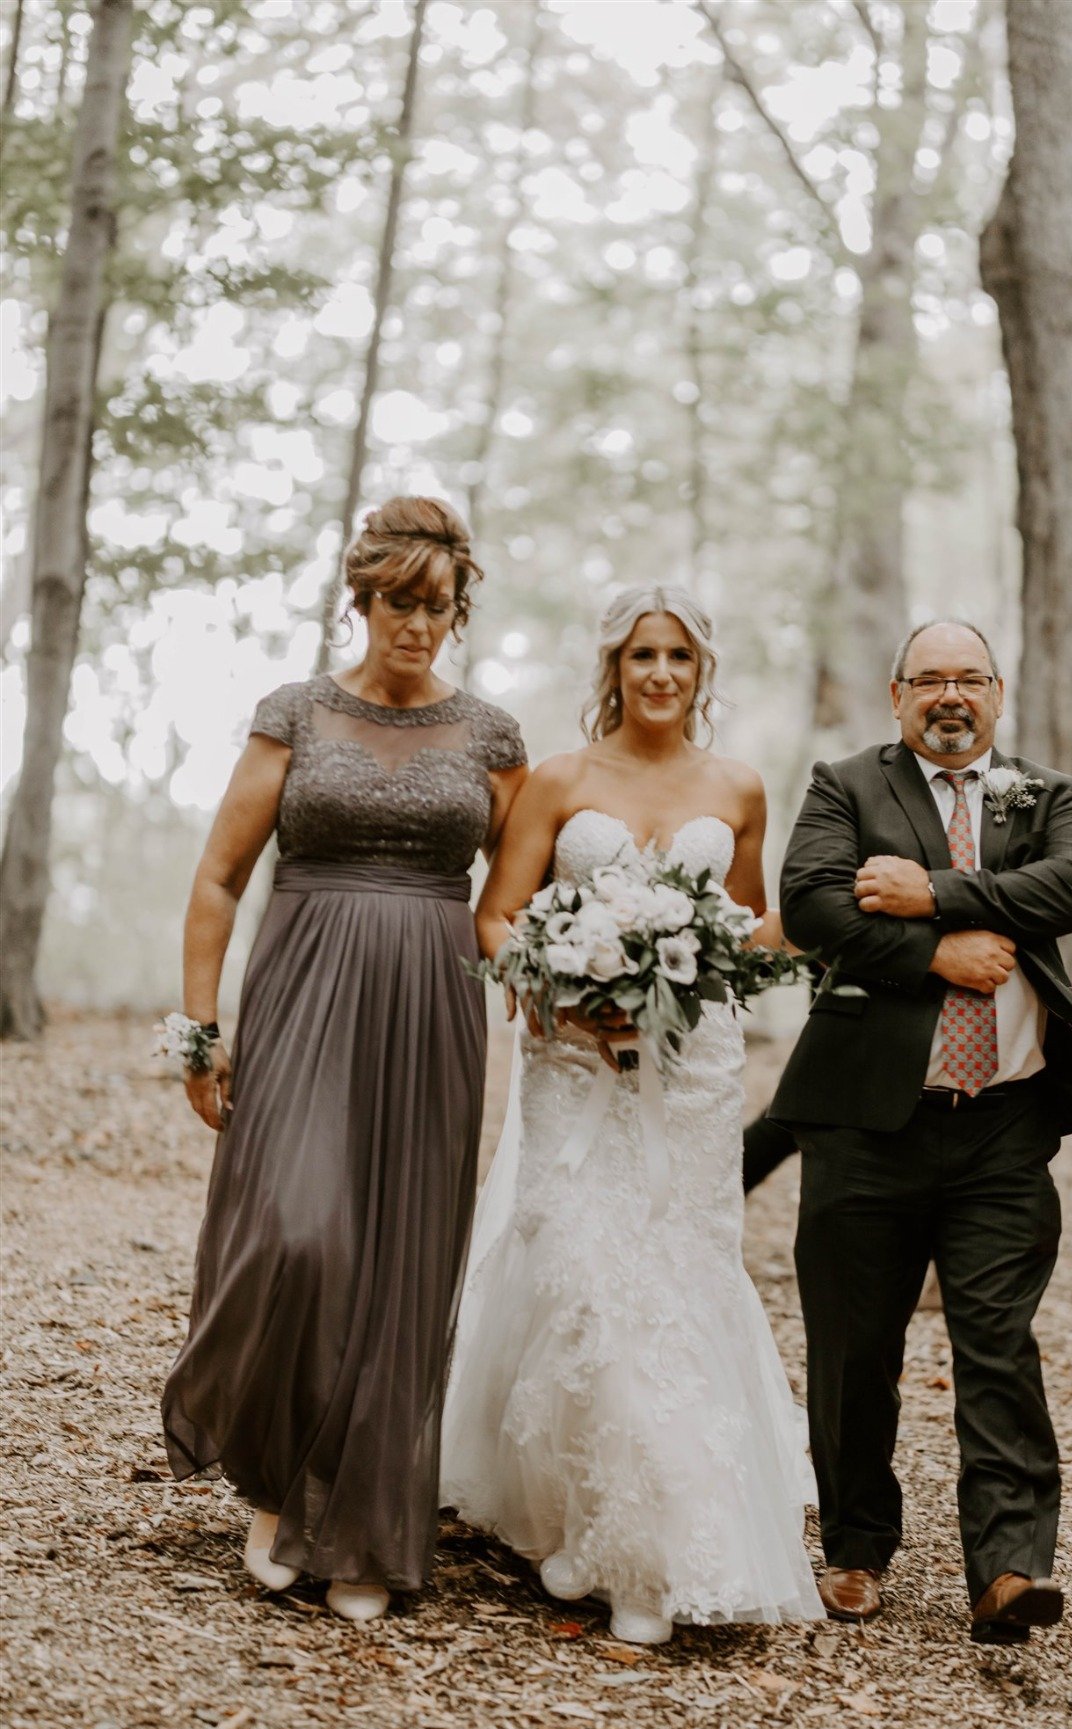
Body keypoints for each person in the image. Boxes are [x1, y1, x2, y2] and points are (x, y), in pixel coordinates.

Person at [162, 496, 527, 1620]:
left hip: (429, 1007)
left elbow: (523, 897)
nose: (418, 624)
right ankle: (272, 1488)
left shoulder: (492, 737)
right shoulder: (295, 716)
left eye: (439, 606)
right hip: (305, 993)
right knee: (299, 1236)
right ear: (360, 601)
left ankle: (361, 1524)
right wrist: (199, 1028)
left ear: (458, 612)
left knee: (401, 1264)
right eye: (399, 602)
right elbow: (222, 877)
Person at [440, 585, 824, 1646]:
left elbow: (743, 929)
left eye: (681, 658)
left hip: (690, 1071)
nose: (661, 673)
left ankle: (649, 1545)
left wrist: (837, 915)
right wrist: (563, 981)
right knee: (578, 1272)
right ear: (612, 667)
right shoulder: (561, 781)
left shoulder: (738, 786)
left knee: (673, 1278)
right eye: (643, 654)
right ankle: (573, 1518)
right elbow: (495, 912)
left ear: (703, 674)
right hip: (572, 1061)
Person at [767, 619, 1072, 1642]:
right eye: (928, 678)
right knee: (852, 1348)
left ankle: (1010, 1568)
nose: (949, 695)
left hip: (1005, 1129)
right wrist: (934, 957)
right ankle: (853, 1547)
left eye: (967, 677)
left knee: (1000, 1344)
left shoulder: (1048, 795)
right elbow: (808, 903)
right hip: (864, 1121)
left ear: (998, 693)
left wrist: (932, 892)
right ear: (897, 698)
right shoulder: (846, 785)